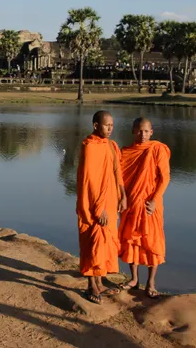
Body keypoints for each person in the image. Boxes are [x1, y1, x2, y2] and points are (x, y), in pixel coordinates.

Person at [76, 110, 127, 304]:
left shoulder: (111, 145)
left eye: (112, 125)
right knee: (92, 241)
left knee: (105, 242)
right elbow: (89, 180)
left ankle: (100, 281)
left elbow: (117, 171)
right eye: (107, 125)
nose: (110, 129)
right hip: (92, 203)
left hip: (110, 200)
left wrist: (123, 195)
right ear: (96, 125)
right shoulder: (89, 146)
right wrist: (99, 209)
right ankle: (91, 285)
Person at [118, 117, 171, 299]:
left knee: (151, 240)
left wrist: (155, 200)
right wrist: (122, 198)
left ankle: (151, 283)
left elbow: (164, 178)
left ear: (151, 132)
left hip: (150, 203)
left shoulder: (157, 149)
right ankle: (134, 279)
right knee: (131, 239)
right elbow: (120, 178)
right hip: (131, 202)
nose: (143, 134)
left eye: (146, 131)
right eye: (139, 131)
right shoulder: (126, 152)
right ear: (133, 131)